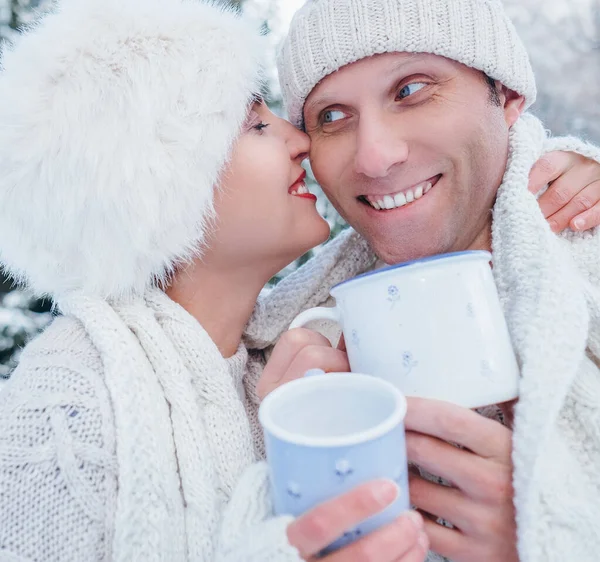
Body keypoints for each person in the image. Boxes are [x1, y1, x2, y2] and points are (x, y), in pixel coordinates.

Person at [0, 0, 433, 560]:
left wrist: (558, 171)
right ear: (158, 187)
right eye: (256, 124)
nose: (300, 139)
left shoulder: (293, 355)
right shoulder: (64, 409)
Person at [244, 1, 600, 561]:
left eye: (411, 90)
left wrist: (551, 529)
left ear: (505, 96)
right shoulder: (282, 353)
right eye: (332, 117)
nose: (376, 158)